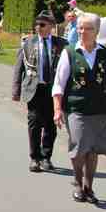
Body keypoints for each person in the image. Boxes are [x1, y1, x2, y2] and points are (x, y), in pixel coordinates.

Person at [53, 12, 106, 204]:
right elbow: (58, 84)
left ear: (97, 31)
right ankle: (77, 182)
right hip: (76, 108)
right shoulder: (69, 52)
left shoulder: (105, 53)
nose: (83, 32)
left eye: (88, 28)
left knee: (93, 149)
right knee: (79, 147)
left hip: (100, 109)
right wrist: (57, 109)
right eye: (81, 28)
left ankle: (88, 186)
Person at [11, 10, 69, 173]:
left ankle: (46, 157)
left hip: (53, 91)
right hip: (34, 89)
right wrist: (16, 90)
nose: (38, 27)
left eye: (42, 25)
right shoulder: (28, 43)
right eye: (36, 24)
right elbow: (19, 67)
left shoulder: (62, 44)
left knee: (51, 125)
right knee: (34, 123)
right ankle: (34, 158)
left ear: (51, 26)